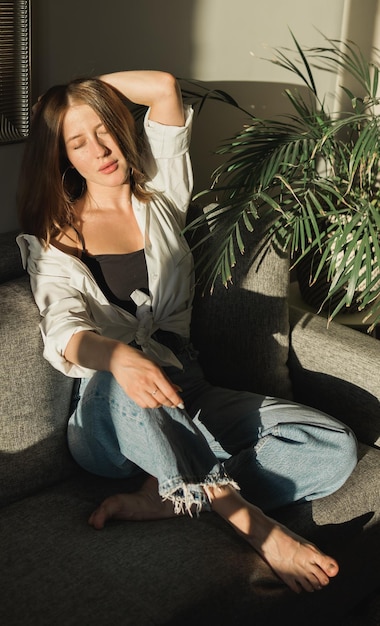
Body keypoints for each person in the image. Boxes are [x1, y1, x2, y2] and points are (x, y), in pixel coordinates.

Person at [17, 70, 357, 595]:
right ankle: (252, 525)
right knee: (122, 380)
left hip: (187, 385)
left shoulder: (162, 199)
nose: (102, 149)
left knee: (333, 447)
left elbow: (161, 89)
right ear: (64, 159)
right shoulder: (54, 238)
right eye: (78, 142)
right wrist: (117, 357)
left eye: (104, 128)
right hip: (109, 415)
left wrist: (72, 95)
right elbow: (63, 332)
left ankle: (170, 490)